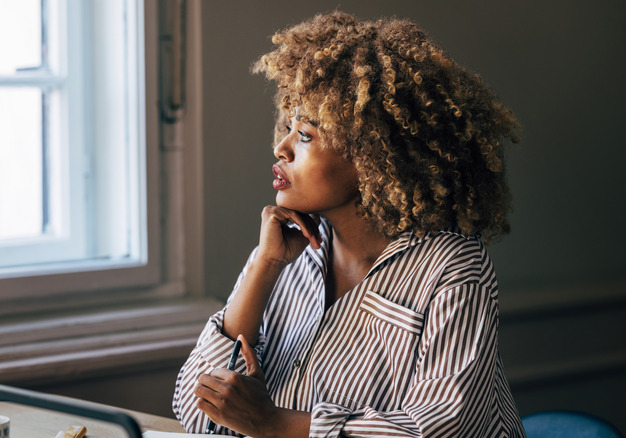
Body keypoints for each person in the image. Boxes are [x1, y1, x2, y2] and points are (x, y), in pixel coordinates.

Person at [173, 11, 525, 438]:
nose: (282, 147)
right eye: (288, 126)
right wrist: (264, 266)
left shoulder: (452, 268)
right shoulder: (288, 252)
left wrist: (273, 422)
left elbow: (440, 430)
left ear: (371, 156)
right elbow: (197, 415)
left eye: (306, 135)